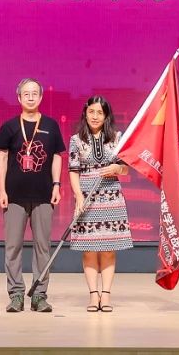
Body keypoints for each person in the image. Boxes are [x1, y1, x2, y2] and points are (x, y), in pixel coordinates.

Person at [0, 77, 66, 313]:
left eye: (35, 93)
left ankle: (39, 295)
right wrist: (2, 190)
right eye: (26, 93)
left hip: (43, 195)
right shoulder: (9, 126)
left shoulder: (51, 126)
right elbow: (3, 158)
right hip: (14, 196)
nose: (31, 97)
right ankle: (16, 294)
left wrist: (56, 185)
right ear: (19, 98)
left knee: (43, 247)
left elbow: (57, 157)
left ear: (41, 97)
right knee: (13, 247)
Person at [67, 95, 133, 313]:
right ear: (85, 114)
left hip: (111, 198)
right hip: (86, 198)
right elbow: (73, 171)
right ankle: (93, 295)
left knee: (108, 250)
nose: (95, 116)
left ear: (106, 116)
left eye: (99, 113)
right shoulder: (76, 140)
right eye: (91, 112)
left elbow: (126, 169)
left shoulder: (117, 138)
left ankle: (106, 296)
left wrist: (117, 169)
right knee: (88, 250)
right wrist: (78, 196)